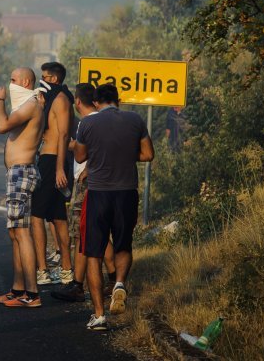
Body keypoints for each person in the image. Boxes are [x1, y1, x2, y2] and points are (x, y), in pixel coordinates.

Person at [74, 83, 154, 331]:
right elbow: (148, 154)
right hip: (126, 193)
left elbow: (79, 157)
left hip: (98, 194)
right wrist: (126, 155)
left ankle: (99, 315)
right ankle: (119, 283)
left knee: (93, 254)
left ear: (96, 103)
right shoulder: (135, 119)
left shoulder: (88, 123)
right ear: (118, 100)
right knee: (123, 244)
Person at [51, 83, 117, 303]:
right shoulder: (104, 120)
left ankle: (82, 285)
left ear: (78, 101)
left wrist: (70, 147)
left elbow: (87, 153)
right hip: (103, 181)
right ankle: (112, 280)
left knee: (83, 233)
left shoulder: (89, 122)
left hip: (87, 181)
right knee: (92, 232)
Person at [0, 67, 48, 308]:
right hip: (17, 173)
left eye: (13, 80)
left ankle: (32, 294)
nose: (10, 83)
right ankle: (17, 290)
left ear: (25, 81)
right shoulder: (31, 104)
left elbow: (1, 126)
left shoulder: (31, 104)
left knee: (22, 233)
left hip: (22, 172)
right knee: (15, 232)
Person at [32, 61, 75, 286]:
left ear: (54, 79)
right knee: (58, 216)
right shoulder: (49, 100)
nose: (42, 81)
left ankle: (42, 270)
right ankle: (66, 270)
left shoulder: (61, 100)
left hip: (52, 162)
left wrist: (59, 167)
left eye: (45, 77)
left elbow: (64, 134)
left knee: (36, 215)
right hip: (47, 159)